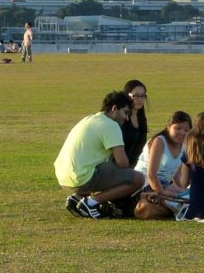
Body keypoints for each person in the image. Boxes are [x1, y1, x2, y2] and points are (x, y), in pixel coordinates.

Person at [55, 91, 145, 219]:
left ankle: (78, 198)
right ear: (114, 108)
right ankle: (91, 203)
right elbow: (122, 163)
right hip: (82, 177)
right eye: (126, 112)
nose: (127, 118)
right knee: (138, 179)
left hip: (63, 177)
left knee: (104, 167)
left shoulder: (89, 119)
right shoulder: (111, 125)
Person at [134, 111, 192, 206]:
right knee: (183, 196)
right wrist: (163, 193)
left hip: (163, 184)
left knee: (189, 194)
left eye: (186, 130)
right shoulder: (159, 141)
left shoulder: (182, 145)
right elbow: (151, 175)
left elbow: (175, 174)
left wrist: (181, 189)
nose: (182, 132)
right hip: (145, 184)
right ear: (168, 127)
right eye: (178, 128)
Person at [120, 79, 149, 167]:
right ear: (127, 96)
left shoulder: (142, 119)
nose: (140, 100)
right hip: (121, 165)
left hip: (138, 165)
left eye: (143, 96)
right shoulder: (121, 119)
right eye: (135, 96)